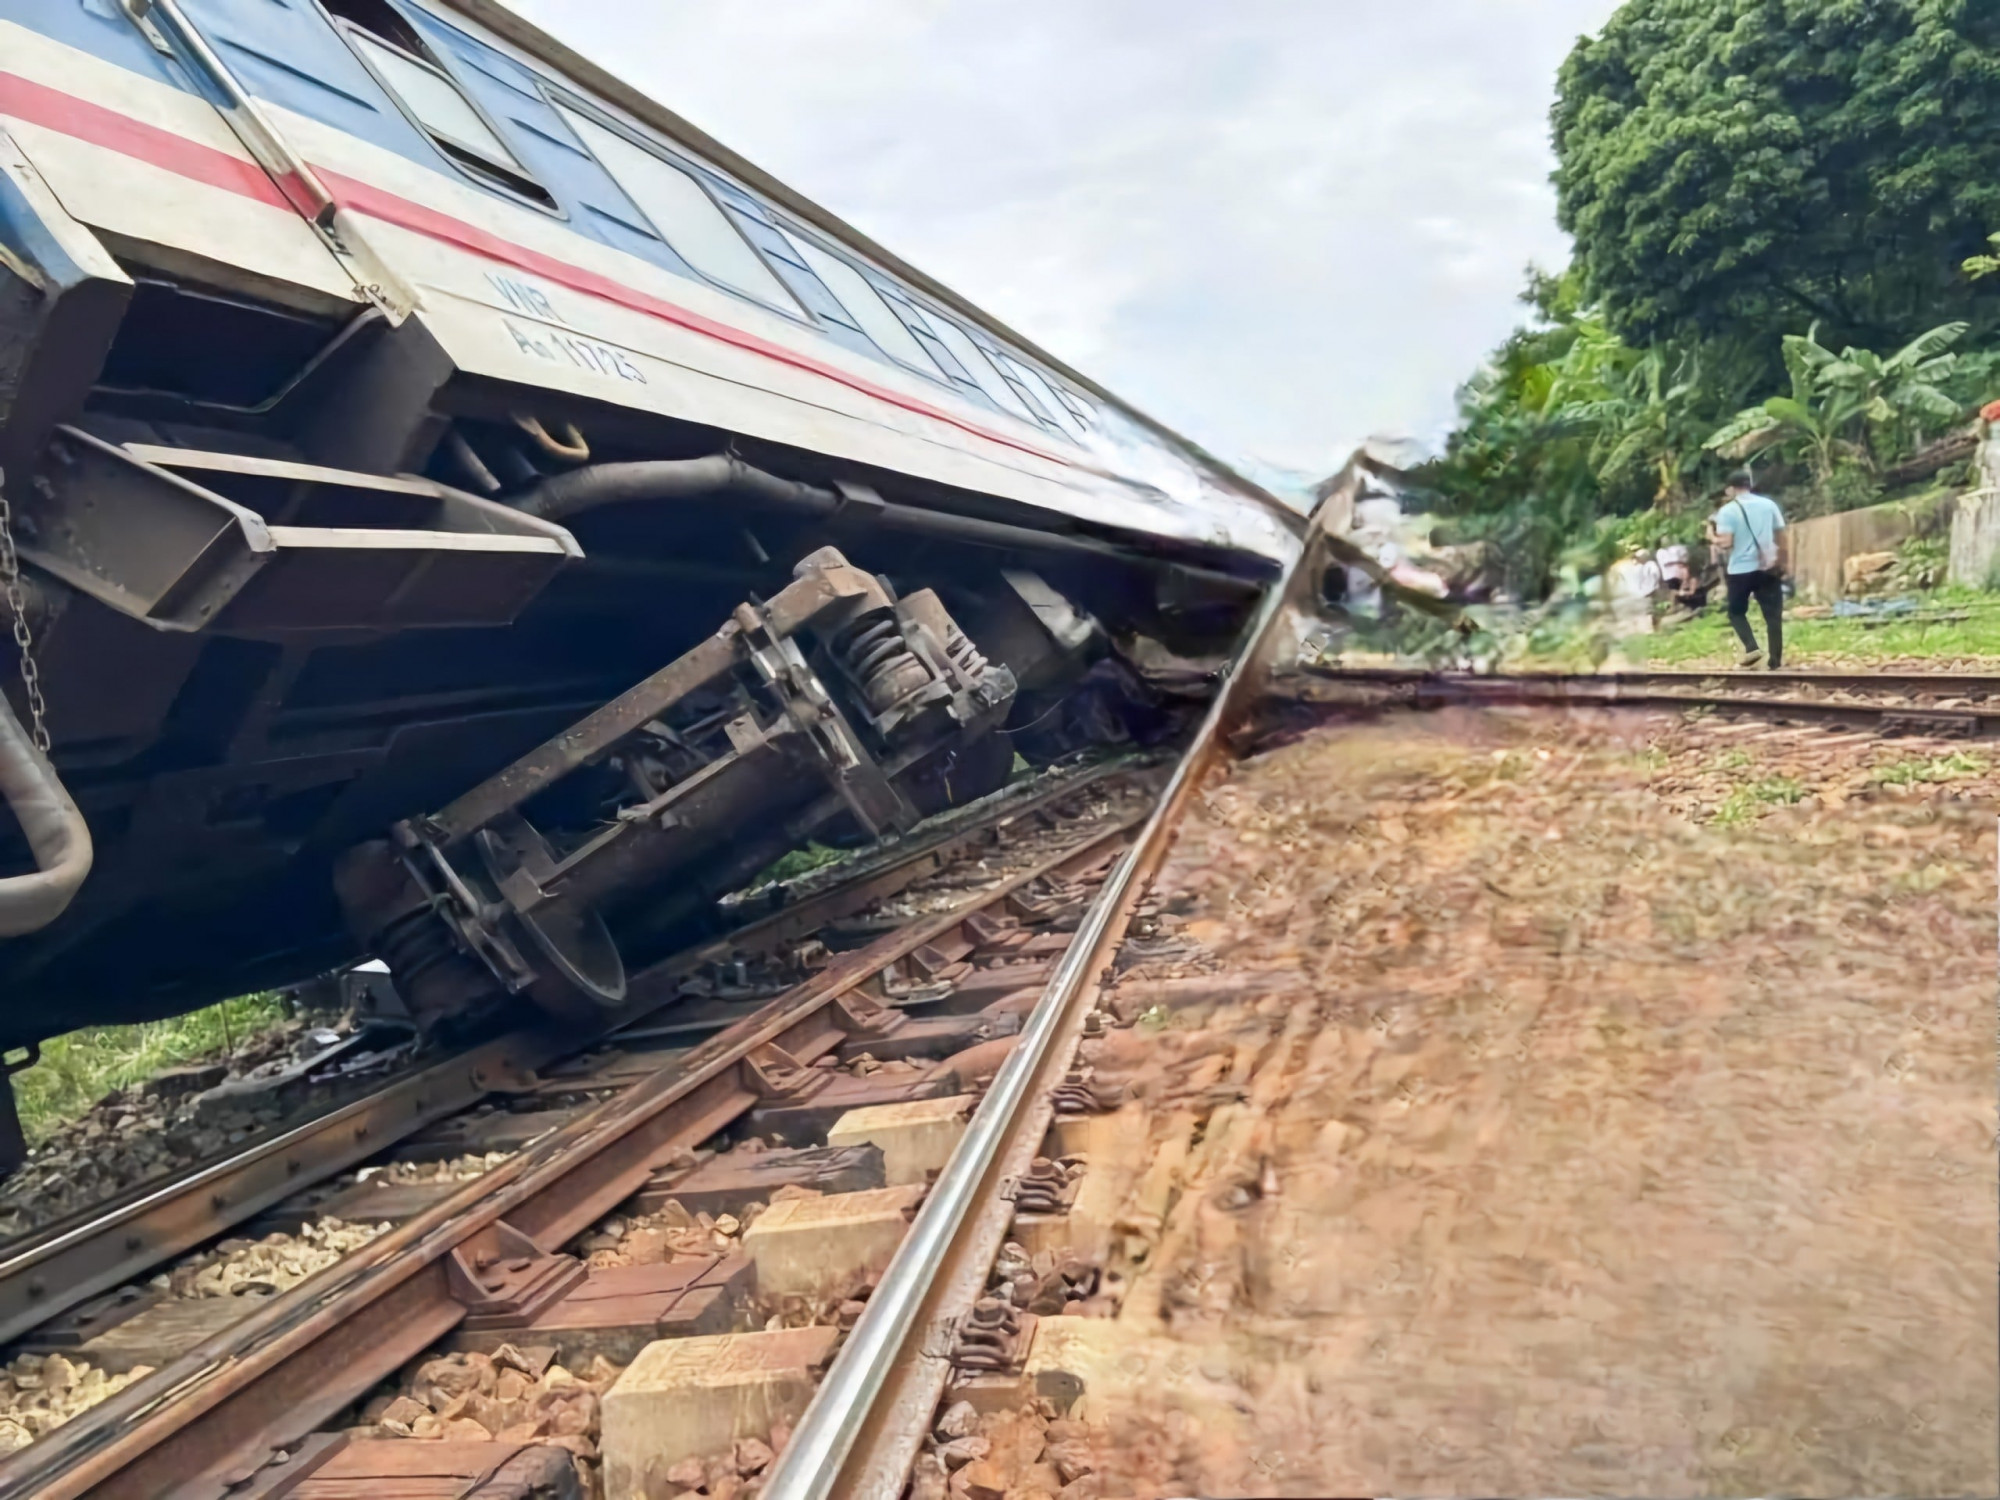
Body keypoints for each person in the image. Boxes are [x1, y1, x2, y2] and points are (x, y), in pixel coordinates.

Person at [1708, 470, 1787, 667]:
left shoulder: (1727, 511)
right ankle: (1775, 662)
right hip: (1768, 567)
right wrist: (1784, 561)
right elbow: (1782, 536)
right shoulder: (1769, 505)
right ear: (1749, 485)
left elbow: (1725, 543)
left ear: (1730, 489)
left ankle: (1752, 647)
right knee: (1773, 617)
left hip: (1740, 570)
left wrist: (1710, 535)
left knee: (1736, 612)